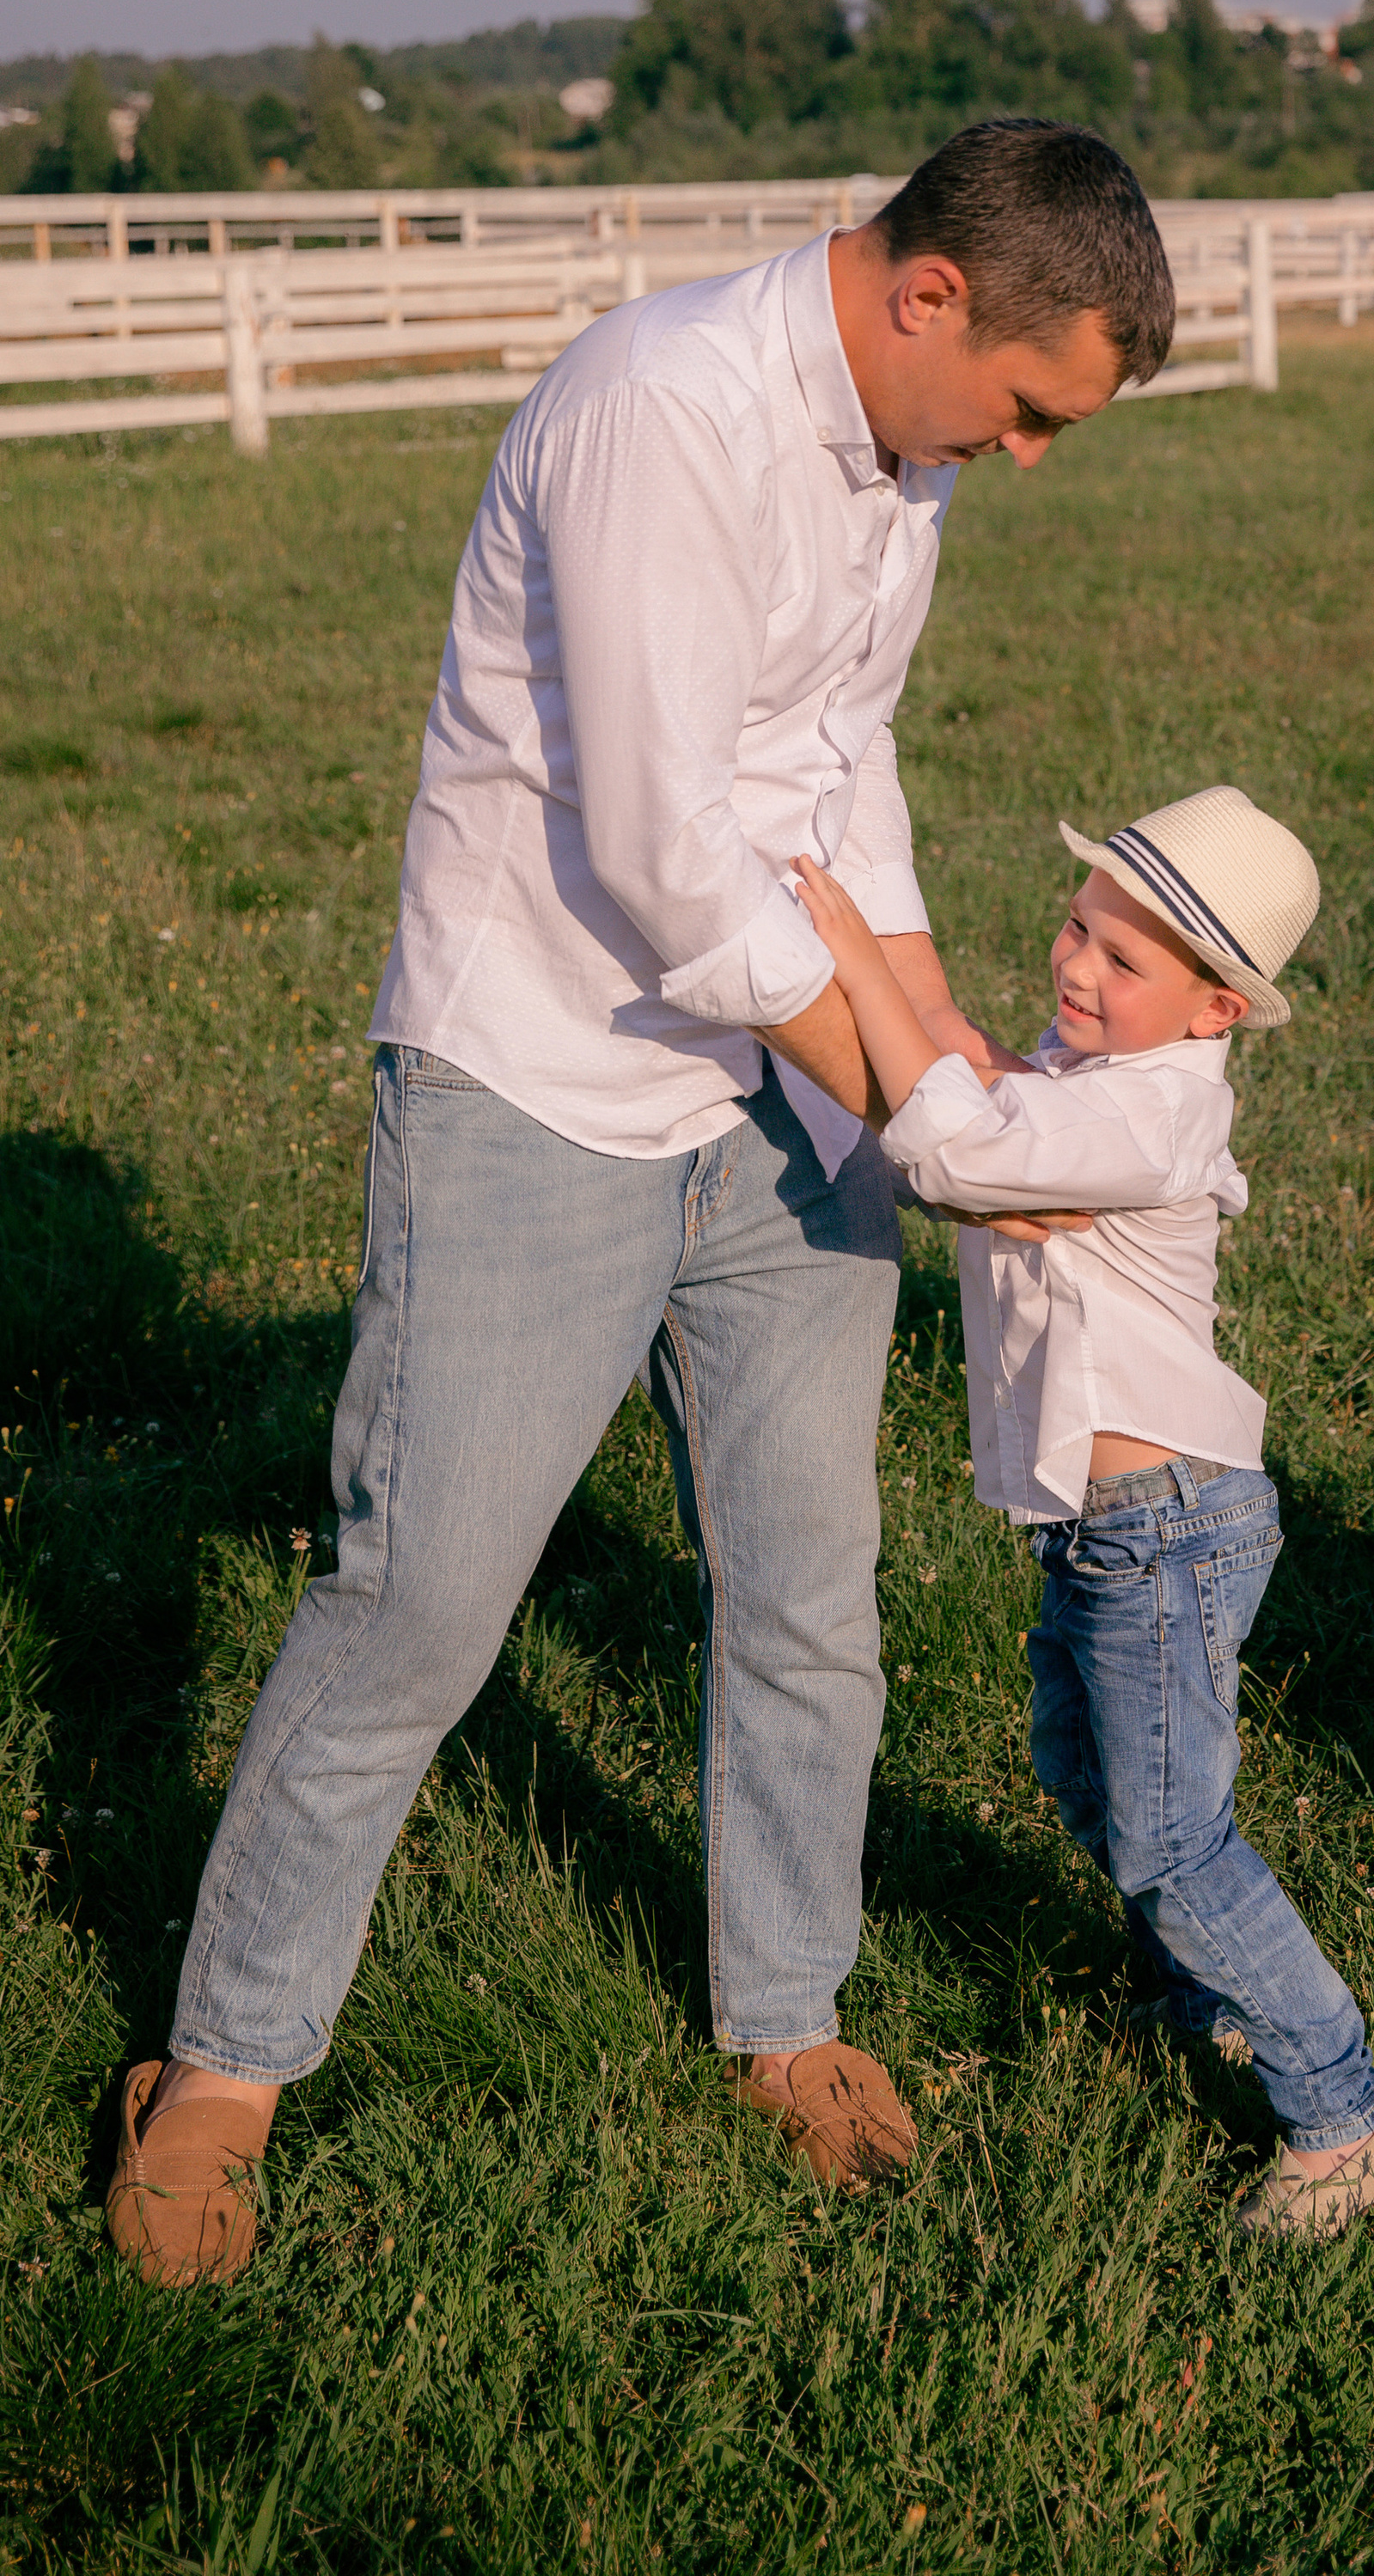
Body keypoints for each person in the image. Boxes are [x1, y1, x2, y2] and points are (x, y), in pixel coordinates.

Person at [107, 120, 1176, 2287]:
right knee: (418, 1607)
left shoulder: (909, 458)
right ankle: (216, 2065)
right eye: (1033, 408)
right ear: (931, 297)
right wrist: (934, 1126)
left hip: (769, 1105)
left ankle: (783, 2013)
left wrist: (942, 1069)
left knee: (808, 1594)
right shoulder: (655, 411)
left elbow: (832, 778)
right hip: (538, 1080)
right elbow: (671, 856)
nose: (1030, 457)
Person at [791, 787, 1374, 2239]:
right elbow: (975, 1086)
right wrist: (923, 1010)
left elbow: (951, 1148)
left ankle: (1348, 2112)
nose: (1079, 968)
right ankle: (1197, 1997)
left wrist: (854, 958)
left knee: (1174, 1839)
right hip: (1112, 1529)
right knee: (1087, 1775)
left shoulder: (1153, 1117)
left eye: (1124, 962)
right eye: (1080, 928)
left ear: (1216, 1011)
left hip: (1164, 1525)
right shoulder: (1097, 1080)